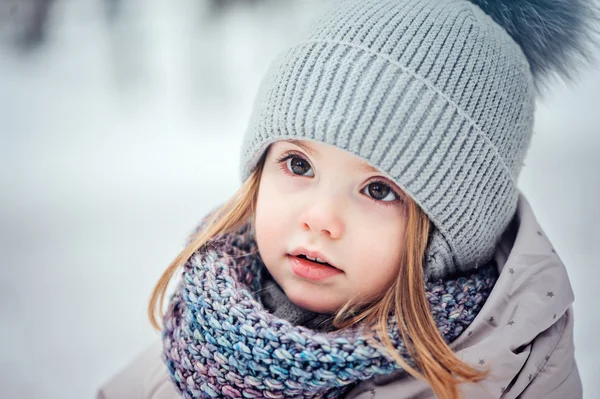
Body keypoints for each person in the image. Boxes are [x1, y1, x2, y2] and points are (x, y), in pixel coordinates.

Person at [98, 0, 598, 397]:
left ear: (453, 233)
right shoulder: (200, 340)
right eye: (299, 165)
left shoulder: (510, 376)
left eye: (378, 190)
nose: (320, 219)